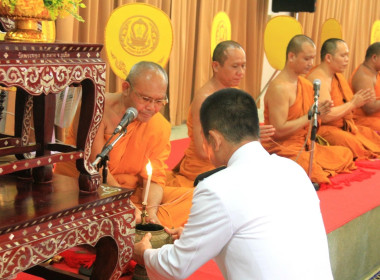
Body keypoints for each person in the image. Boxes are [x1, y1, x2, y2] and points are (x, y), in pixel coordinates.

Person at [133, 88, 334, 280]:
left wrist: (144, 253)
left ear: (214, 139)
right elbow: (258, 232)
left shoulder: (215, 188)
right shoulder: (293, 170)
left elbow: (175, 267)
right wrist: (192, 237)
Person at [54, 61, 192, 228]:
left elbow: (154, 178)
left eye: (159, 101)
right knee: (88, 209)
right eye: (146, 99)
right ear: (126, 88)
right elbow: (95, 167)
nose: (152, 108)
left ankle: (140, 224)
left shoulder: (160, 126)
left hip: (131, 194)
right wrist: (127, 206)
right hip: (86, 189)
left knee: (197, 198)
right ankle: (128, 225)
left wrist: (151, 212)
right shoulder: (95, 108)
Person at [167, 40, 275, 188]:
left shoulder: (235, 93)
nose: (241, 72)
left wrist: (251, 137)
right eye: (235, 66)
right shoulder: (205, 99)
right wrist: (244, 140)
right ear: (216, 66)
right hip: (207, 166)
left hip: (231, 160)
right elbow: (202, 150)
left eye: (243, 66)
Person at [263, 35, 355, 185]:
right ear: (291, 56)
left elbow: (312, 123)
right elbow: (278, 131)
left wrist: (319, 115)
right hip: (284, 148)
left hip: (305, 145)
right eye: (306, 59)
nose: (311, 63)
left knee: (345, 154)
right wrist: (310, 116)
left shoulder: (305, 84)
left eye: (312, 59)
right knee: (311, 170)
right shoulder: (279, 88)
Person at [307, 38, 380, 160]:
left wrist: (353, 103)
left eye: (347, 55)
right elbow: (325, 116)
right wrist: (353, 104)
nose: (347, 60)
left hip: (345, 125)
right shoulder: (319, 79)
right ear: (329, 58)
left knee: (371, 136)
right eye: (343, 56)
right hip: (324, 128)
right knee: (351, 145)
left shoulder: (337, 76)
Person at [349, 42, 380, 132]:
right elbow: (369, 108)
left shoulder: (374, 72)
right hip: (364, 121)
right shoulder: (364, 76)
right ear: (374, 58)